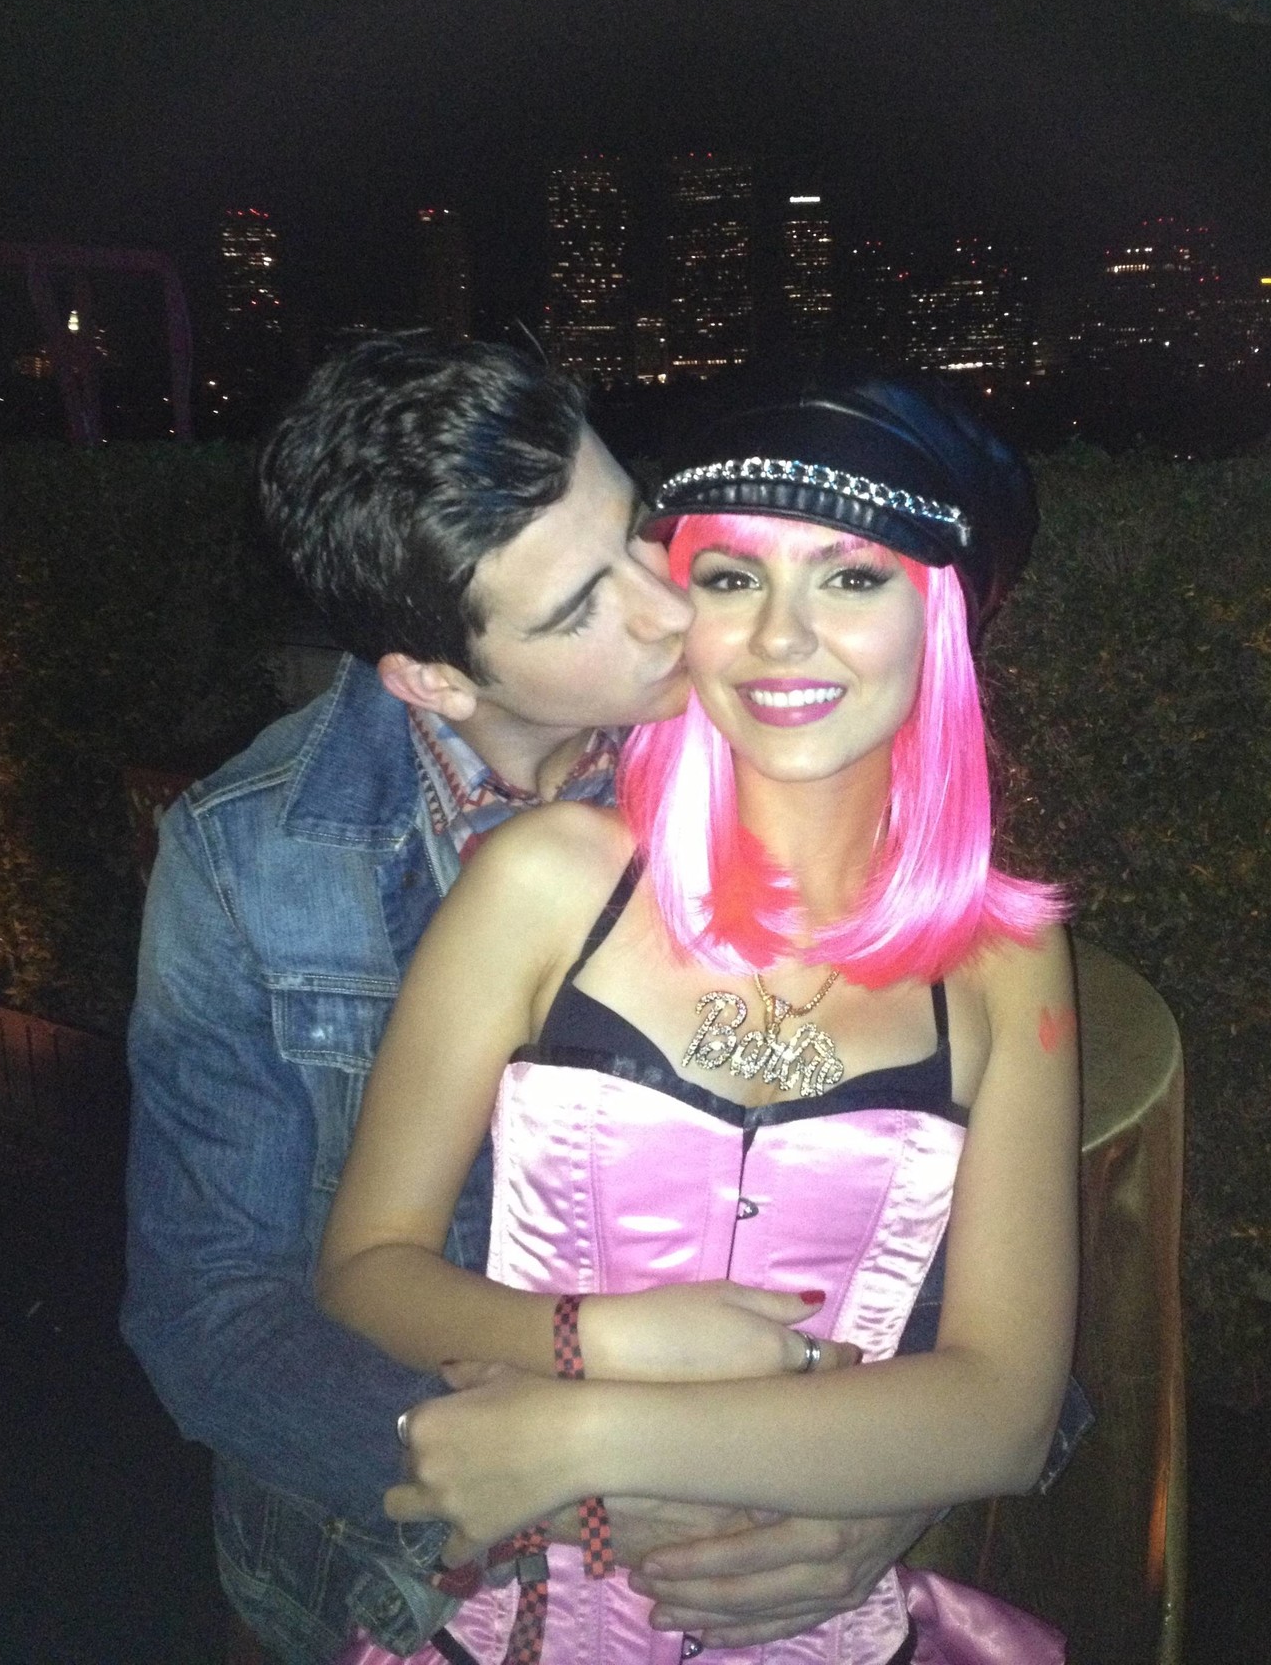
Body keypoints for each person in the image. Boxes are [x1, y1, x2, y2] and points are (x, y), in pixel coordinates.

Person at [122, 338, 949, 1665]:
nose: (672, 608)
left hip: (763, 1577)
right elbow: (211, 1310)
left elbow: (946, 1170)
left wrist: (892, 1482)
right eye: (578, 609)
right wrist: (534, 1475)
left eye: (639, 530)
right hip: (375, 1581)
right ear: (435, 678)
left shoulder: (782, 735)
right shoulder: (249, 864)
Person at [315, 376, 1080, 1664]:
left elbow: (1006, 1411)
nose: (783, 637)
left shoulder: (1010, 961)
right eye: (732, 580)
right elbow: (364, 1269)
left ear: (939, 619)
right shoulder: (544, 883)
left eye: (852, 579)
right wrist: (588, 1343)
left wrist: (584, 1432)